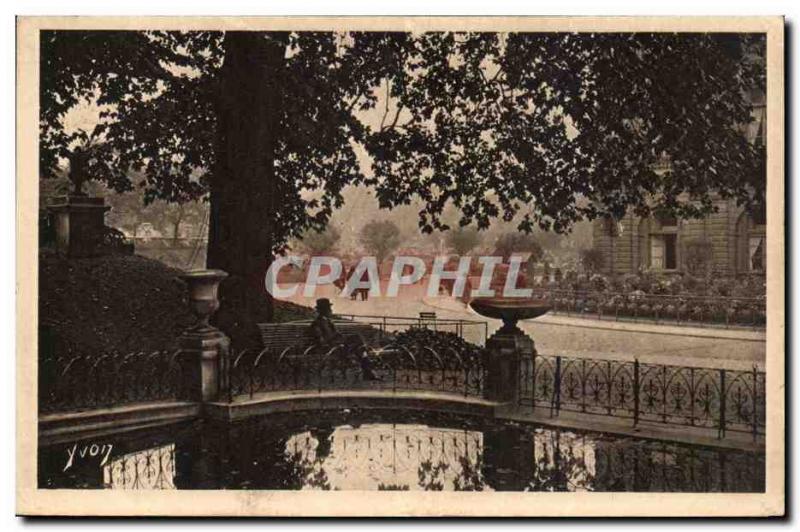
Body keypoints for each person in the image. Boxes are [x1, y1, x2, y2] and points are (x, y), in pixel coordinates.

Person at [308, 298, 381, 380]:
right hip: (332, 347)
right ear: (323, 310)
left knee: (358, 343)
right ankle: (368, 370)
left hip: (337, 344)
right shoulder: (317, 323)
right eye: (329, 308)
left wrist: (341, 337)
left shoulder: (327, 321)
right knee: (358, 342)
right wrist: (337, 340)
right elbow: (321, 339)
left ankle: (367, 368)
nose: (331, 310)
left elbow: (336, 334)